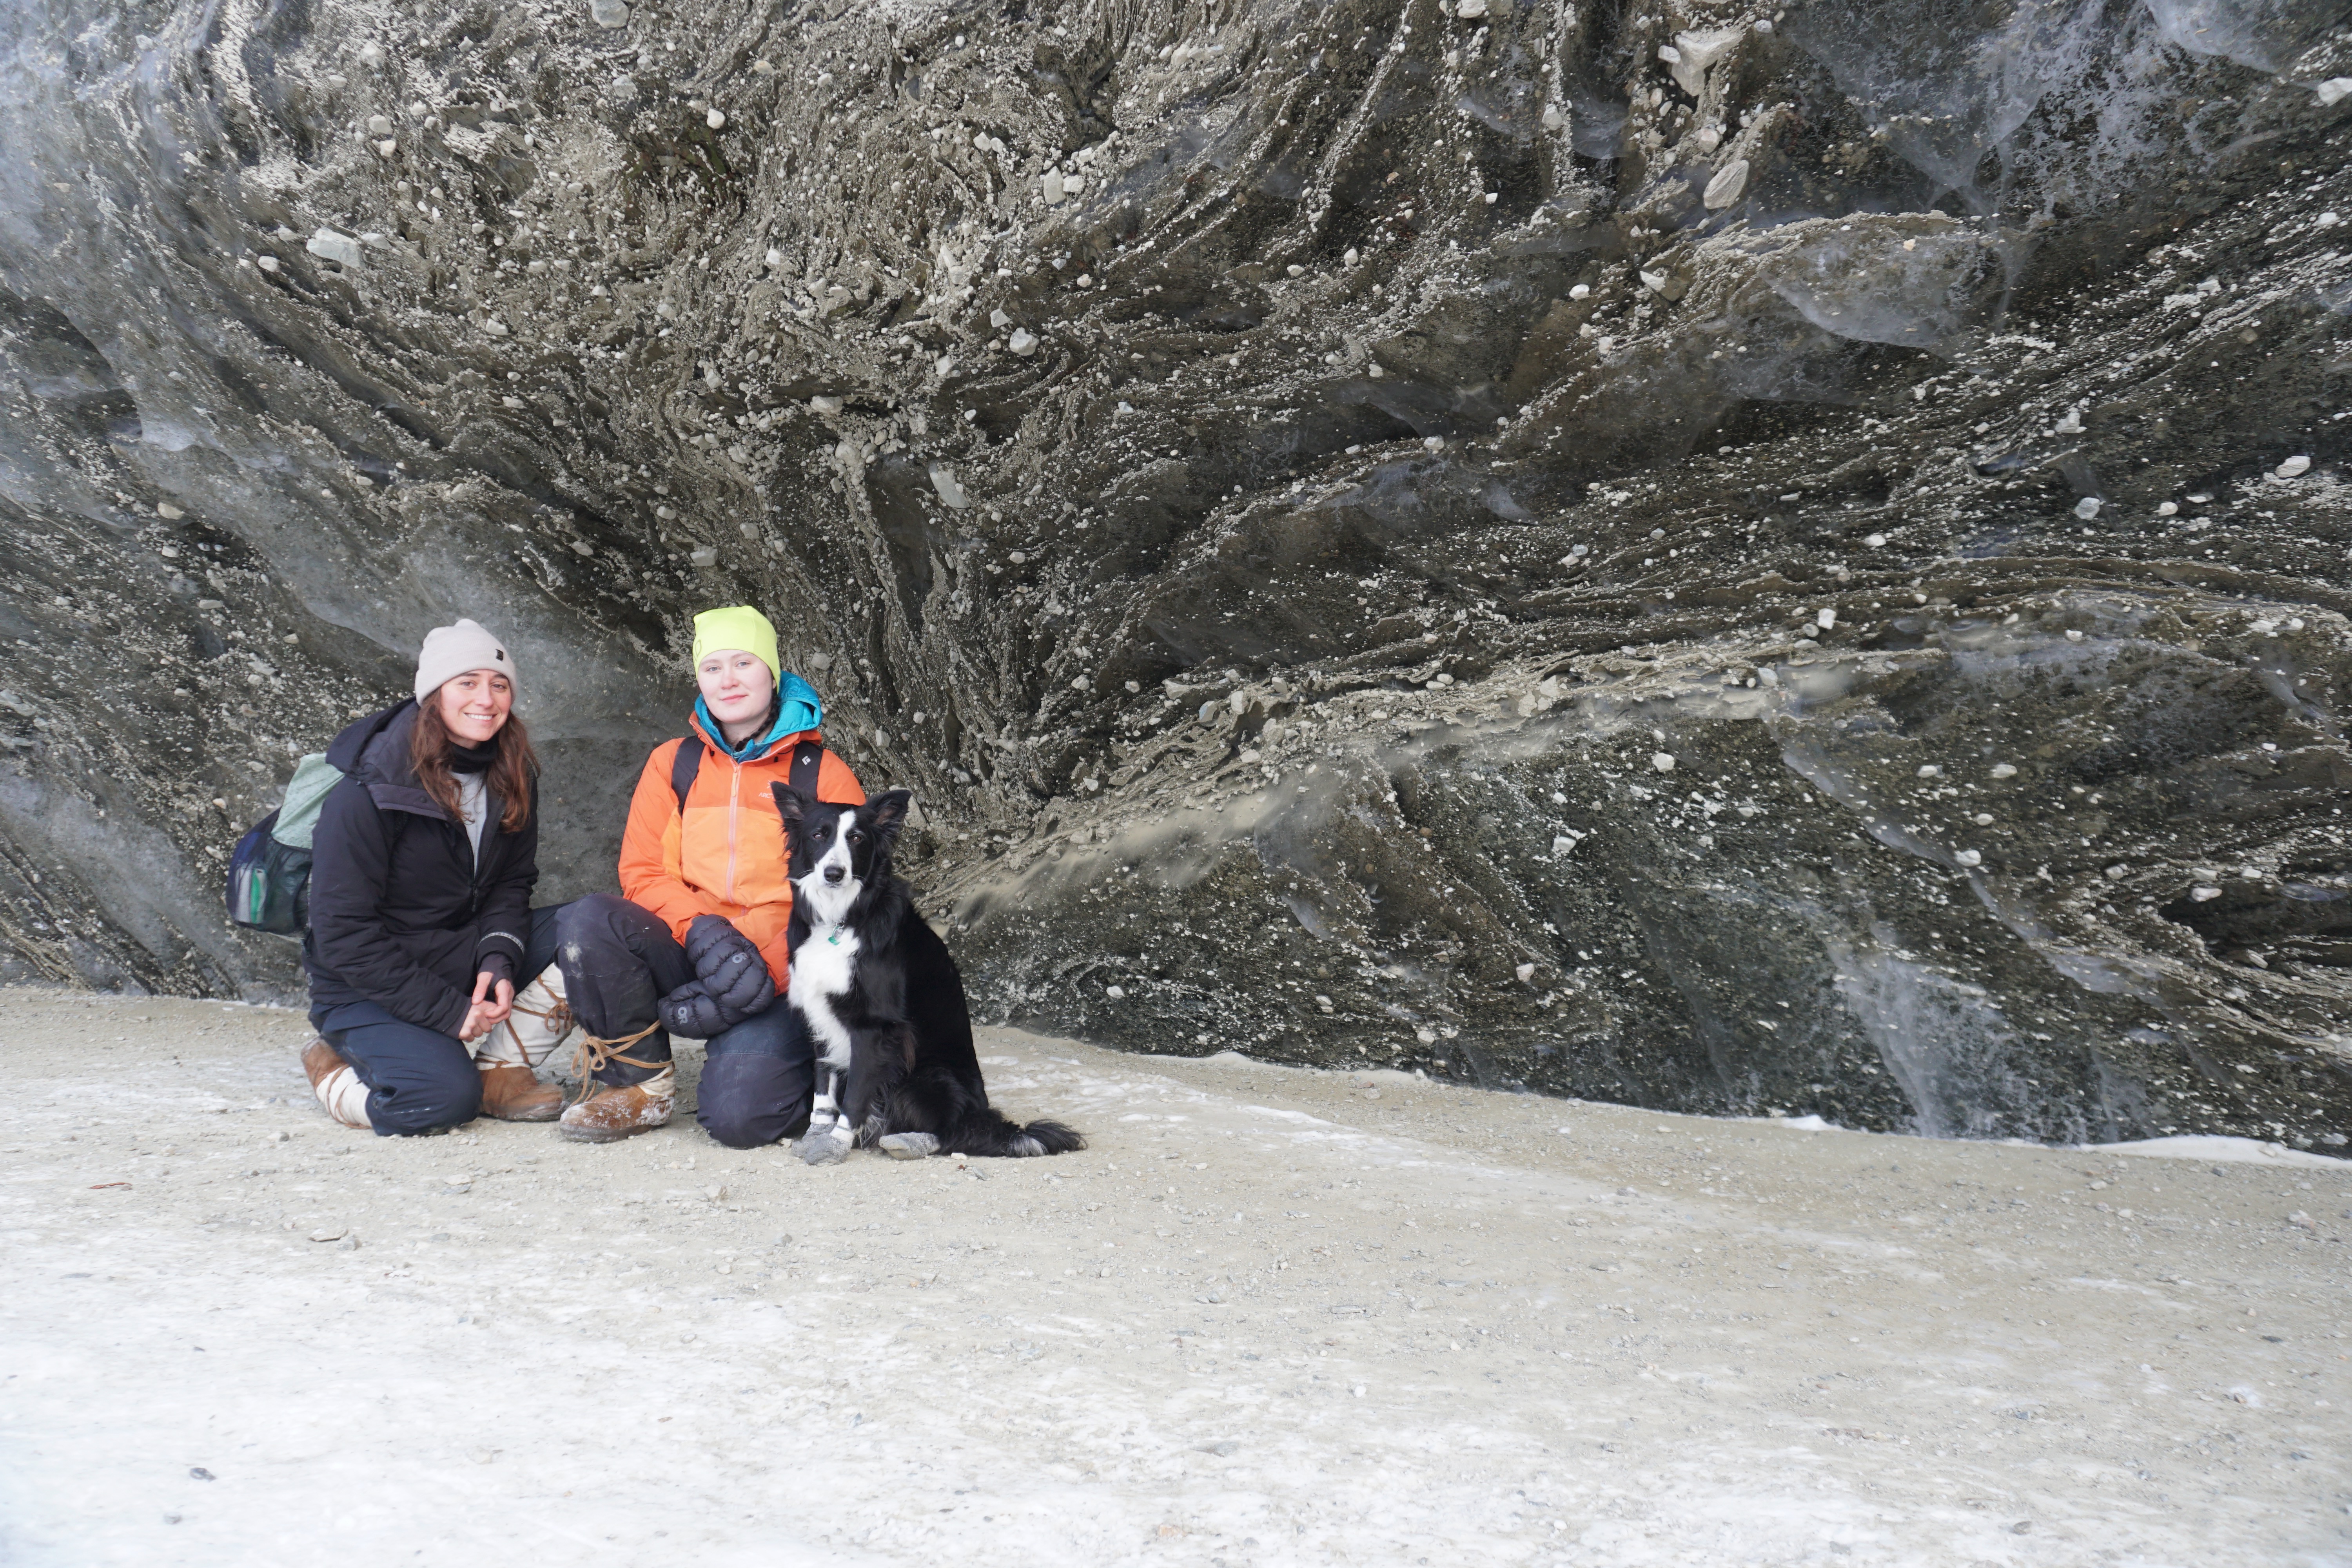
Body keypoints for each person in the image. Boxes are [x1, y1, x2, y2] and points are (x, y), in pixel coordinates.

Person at [553, 604, 864, 1145]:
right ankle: (638, 1085)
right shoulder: (674, 763)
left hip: (779, 972)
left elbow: (850, 899)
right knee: (591, 920)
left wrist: (764, 965)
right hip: (690, 947)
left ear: (772, 672)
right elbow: (643, 871)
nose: (729, 680)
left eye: (744, 663)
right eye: (714, 667)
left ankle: (796, 1071)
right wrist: (701, 931)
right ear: (699, 679)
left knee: (742, 1121)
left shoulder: (822, 774)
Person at [299, 619, 572, 1135]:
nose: (486, 699)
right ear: (433, 695)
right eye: (466, 683)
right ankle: (332, 1066)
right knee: (437, 1101)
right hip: (367, 984)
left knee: (597, 927)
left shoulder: (512, 771)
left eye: (499, 684)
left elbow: (512, 883)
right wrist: (447, 1013)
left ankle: (501, 1072)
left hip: (459, 952)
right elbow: (342, 934)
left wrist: (498, 956)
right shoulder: (370, 788)